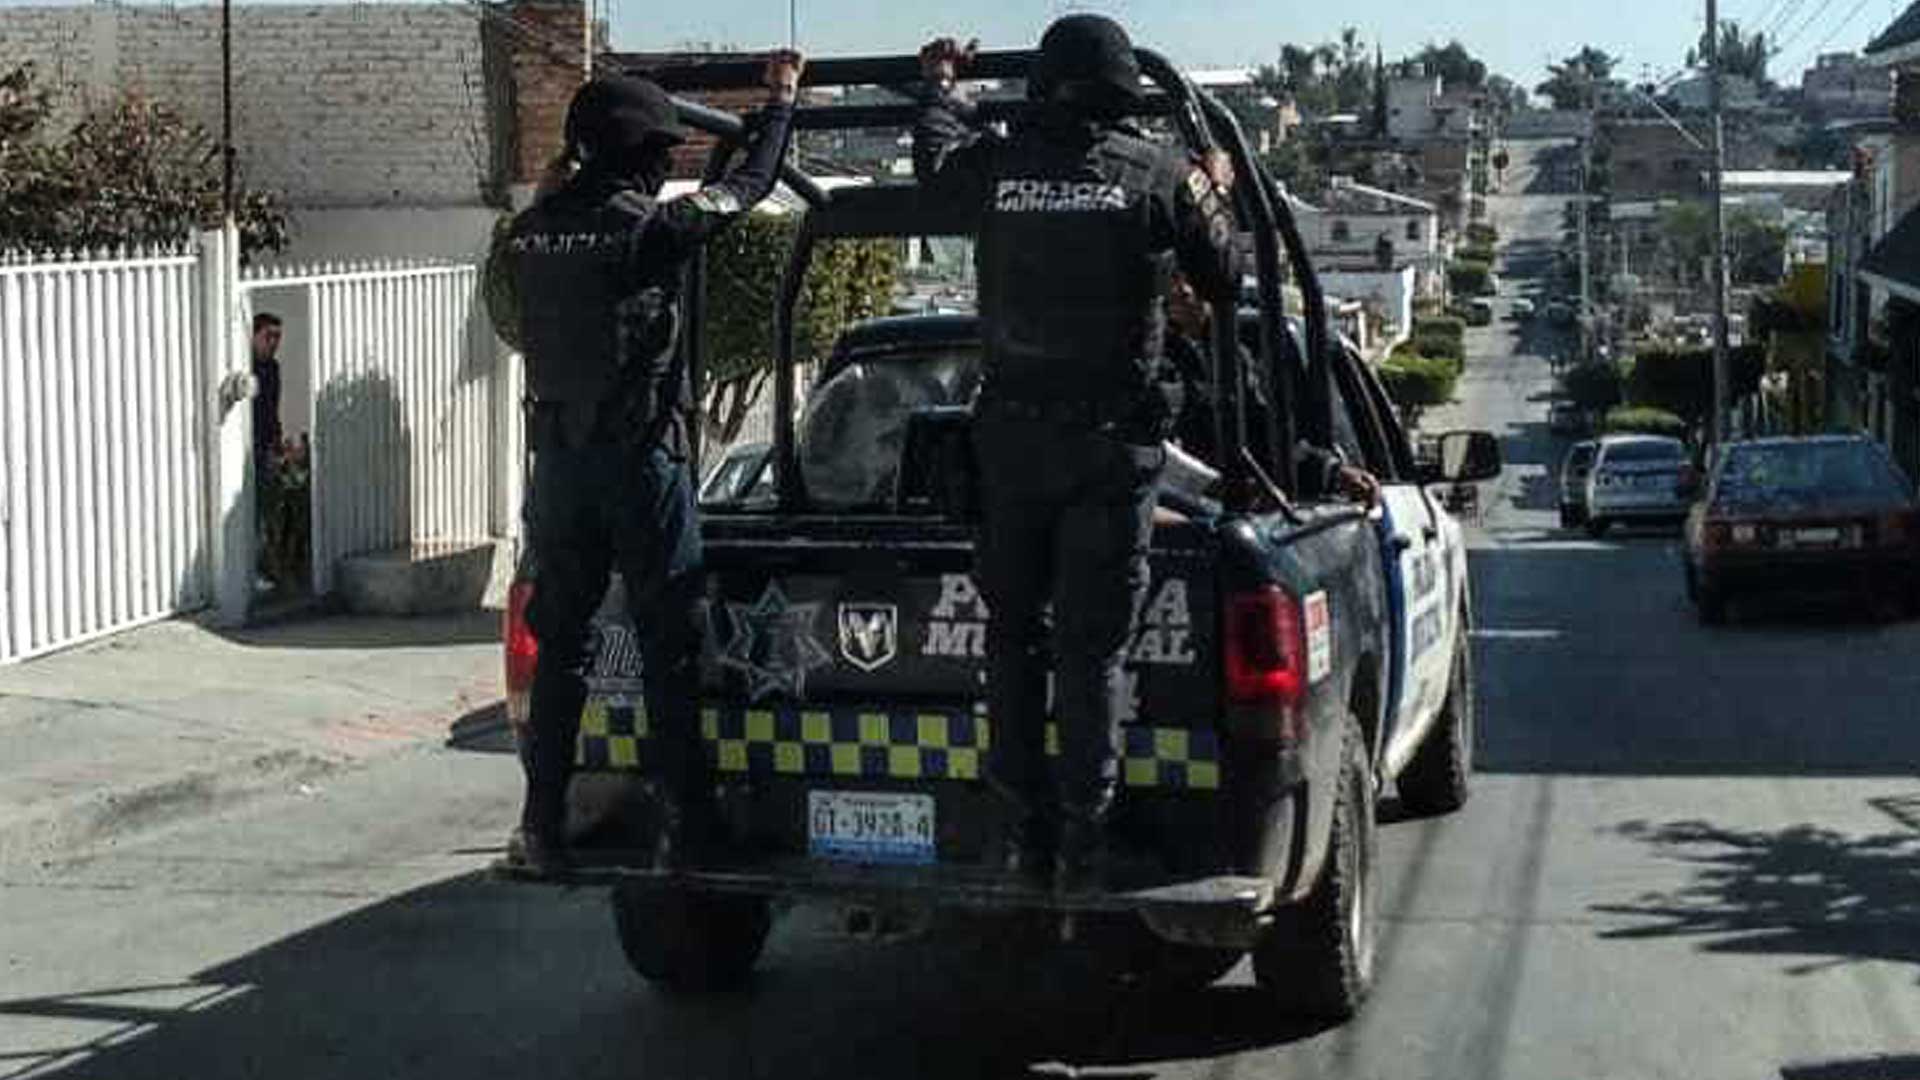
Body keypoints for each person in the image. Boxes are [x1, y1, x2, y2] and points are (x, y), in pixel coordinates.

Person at [913, 17, 1239, 893]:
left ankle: (1022, 836)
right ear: (1123, 92)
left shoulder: (999, 162)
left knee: (1014, 639)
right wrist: (1214, 187)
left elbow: (937, 163)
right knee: (1091, 653)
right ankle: (1083, 843)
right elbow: (1230, 272)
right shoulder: (1157, 172)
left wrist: (943, 86)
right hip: (1108, 449)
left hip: (1013, 444)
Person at [498, 51, 805, 875]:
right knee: (672, 644)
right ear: (638, 153)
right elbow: (747, 188)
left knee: (560, 647)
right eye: (662, 151)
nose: (670, 161)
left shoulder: (530, 234)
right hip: (636, 466)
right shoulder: (645, 231)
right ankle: (686, 828)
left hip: (558, 471)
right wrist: (779, 104)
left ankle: (540, 827)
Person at [1162, 274, 1380, 506]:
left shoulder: (1224, 352)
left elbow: (1259, 428)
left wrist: (1331, 473)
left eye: (1189, 276)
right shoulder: (1144, 354)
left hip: (1226, 511)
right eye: (1172, 280)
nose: (1183, 292)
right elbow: (1142, 446)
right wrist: (1210, 485)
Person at [251, 312, 284, 481]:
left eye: (277, 337)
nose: (274, 342)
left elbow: (272, 407)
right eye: (268, 336)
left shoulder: (273, 368)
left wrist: (276, 442)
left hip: (266, 442)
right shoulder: (245, 366)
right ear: (254, 336)